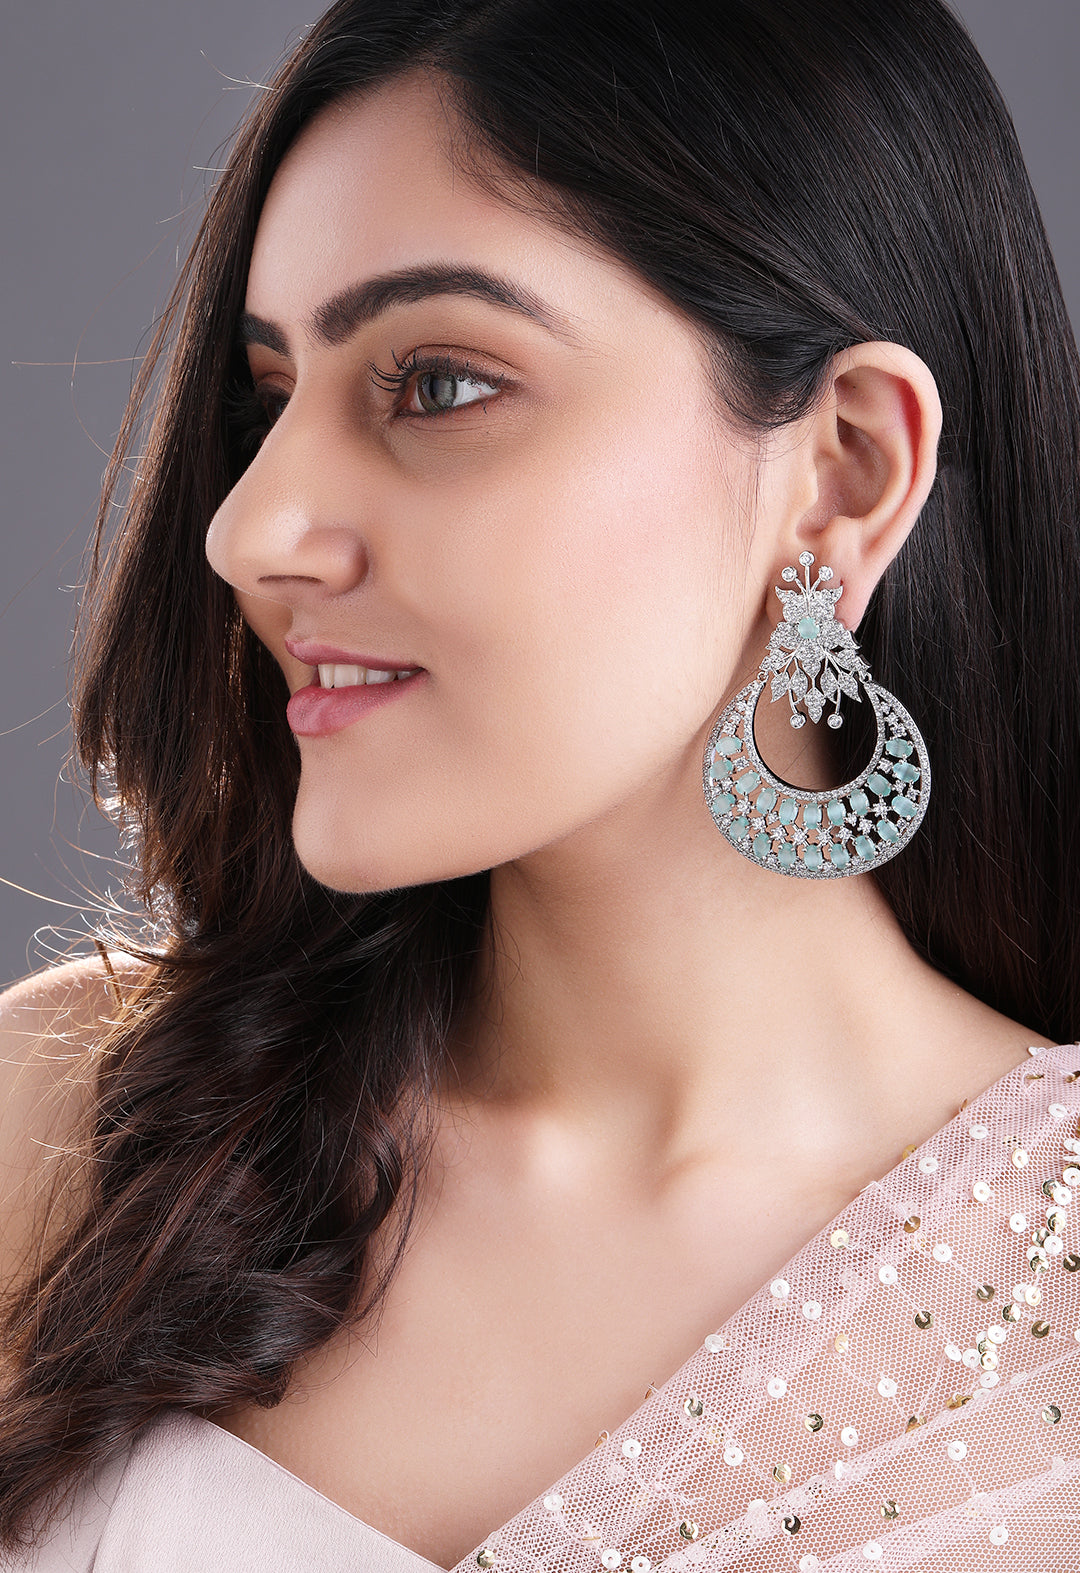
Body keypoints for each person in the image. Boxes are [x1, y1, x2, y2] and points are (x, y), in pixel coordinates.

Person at [1, 0, 1078, 1567]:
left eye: (437, 384)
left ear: (844, 469)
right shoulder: (73, 1128)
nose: (250, 529)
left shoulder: (1050, 1290)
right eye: (267, 397)